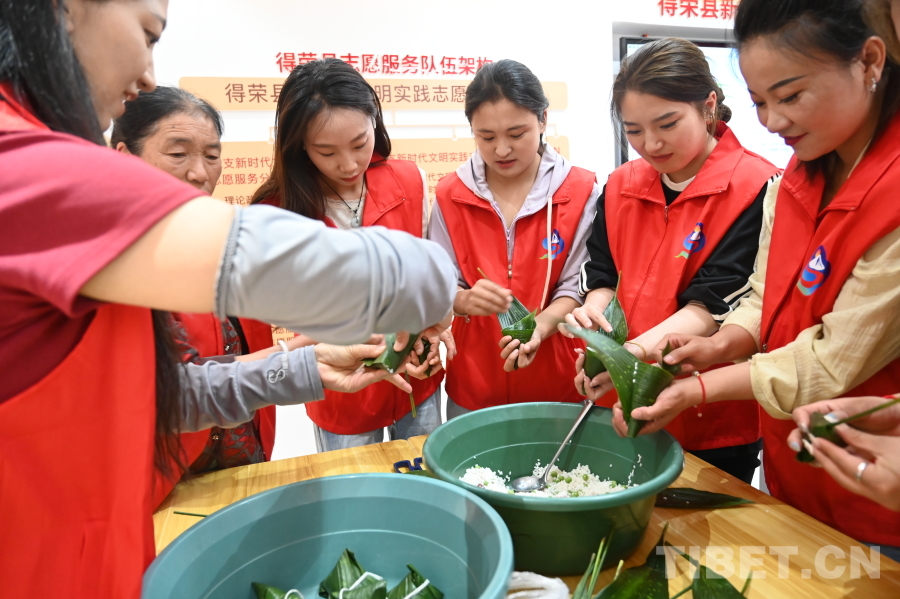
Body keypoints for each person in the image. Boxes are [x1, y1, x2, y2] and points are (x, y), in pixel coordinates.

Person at [0, 1, 456, 596]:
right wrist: (434, 284)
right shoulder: (26, 167)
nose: (147, 77)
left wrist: (304, 365)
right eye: (148, 34)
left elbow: (162, 394)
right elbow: (327, 272)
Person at [628, 0, 900, 552]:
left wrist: (698, 388)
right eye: (758, 101)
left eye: (791, 96)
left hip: (873, 493)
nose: (772, 121)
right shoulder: (796, 177)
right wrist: (721, 344)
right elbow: (765, 295)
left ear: (870, 62)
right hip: (790, 468)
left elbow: (831, 360)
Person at [562, 38, 780, 484]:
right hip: (626, 399)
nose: (651, 143)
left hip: (711, 411)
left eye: (667, 123)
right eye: (634, 130)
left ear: (708, 106)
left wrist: (626, 357)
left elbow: (713, 305)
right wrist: (596, 326)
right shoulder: (621, 184)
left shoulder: (756, 185)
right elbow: (602, 274)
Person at [251, 58, 450, 451]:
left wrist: (436, 323)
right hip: (342, 387)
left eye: (360, 144)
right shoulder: (276, 212)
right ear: (299, 144)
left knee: (426, 477)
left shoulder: (407, 179)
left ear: (375, 119)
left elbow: (425, 278)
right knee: (355, 485)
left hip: (416, 377)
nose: (348, 164)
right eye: (326, 151)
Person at [430, 59, 599, 418]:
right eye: (486, 137)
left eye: (517, 134)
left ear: (543, 120)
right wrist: (463, 300)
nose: (502, 150)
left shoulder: (581, 190)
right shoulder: (450, 194)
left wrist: (539, 328)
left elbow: (577, 285)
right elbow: (439, 282)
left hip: (557, 383)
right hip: (474, 383)